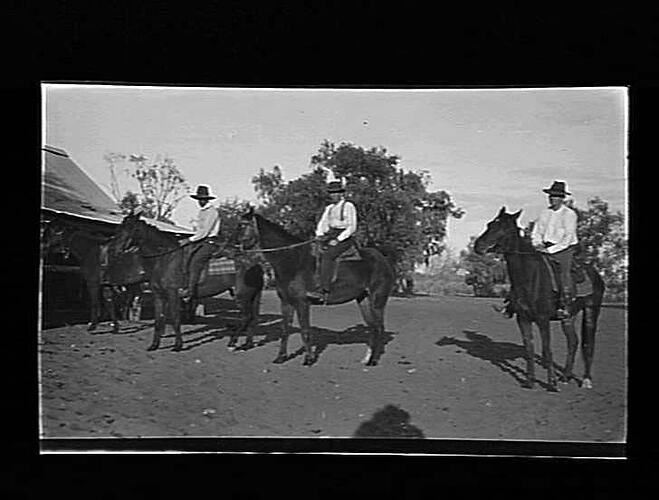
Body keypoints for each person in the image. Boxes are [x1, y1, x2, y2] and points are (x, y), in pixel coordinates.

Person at [531, 180, 578, 319]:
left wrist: (551, 250)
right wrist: (537, 244)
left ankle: (565, 304)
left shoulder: (569, 214)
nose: (552, 198)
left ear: (562, 198)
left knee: (563, 273)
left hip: (564, 248)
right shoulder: (544, 213)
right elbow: (537, 231)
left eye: (556, 196)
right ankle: (513, 301)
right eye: (551, 195)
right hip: (544, 247)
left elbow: (568, 237)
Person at [307, 180, 358, 301]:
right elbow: (323, 223)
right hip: (330, 235)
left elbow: (352, 226)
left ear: (341, 194)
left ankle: (324, 289)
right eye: (331, 193)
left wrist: (338, 240)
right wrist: (319, 235)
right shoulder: (329, 208)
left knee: (328, 256)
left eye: (336, 193)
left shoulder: (348, 206)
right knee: (312, 252)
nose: (333, 195)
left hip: (345, 237)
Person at [178, 184, 221, 301]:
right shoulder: (202, 212)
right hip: (201, 241)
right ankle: (183, 284)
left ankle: (190, 291)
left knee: (195, 262)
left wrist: (188, 240)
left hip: (209, 242)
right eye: (199, 199)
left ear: (207, 199)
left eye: (203, 199)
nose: (200, 201)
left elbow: (205, 232)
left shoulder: (212, 212)